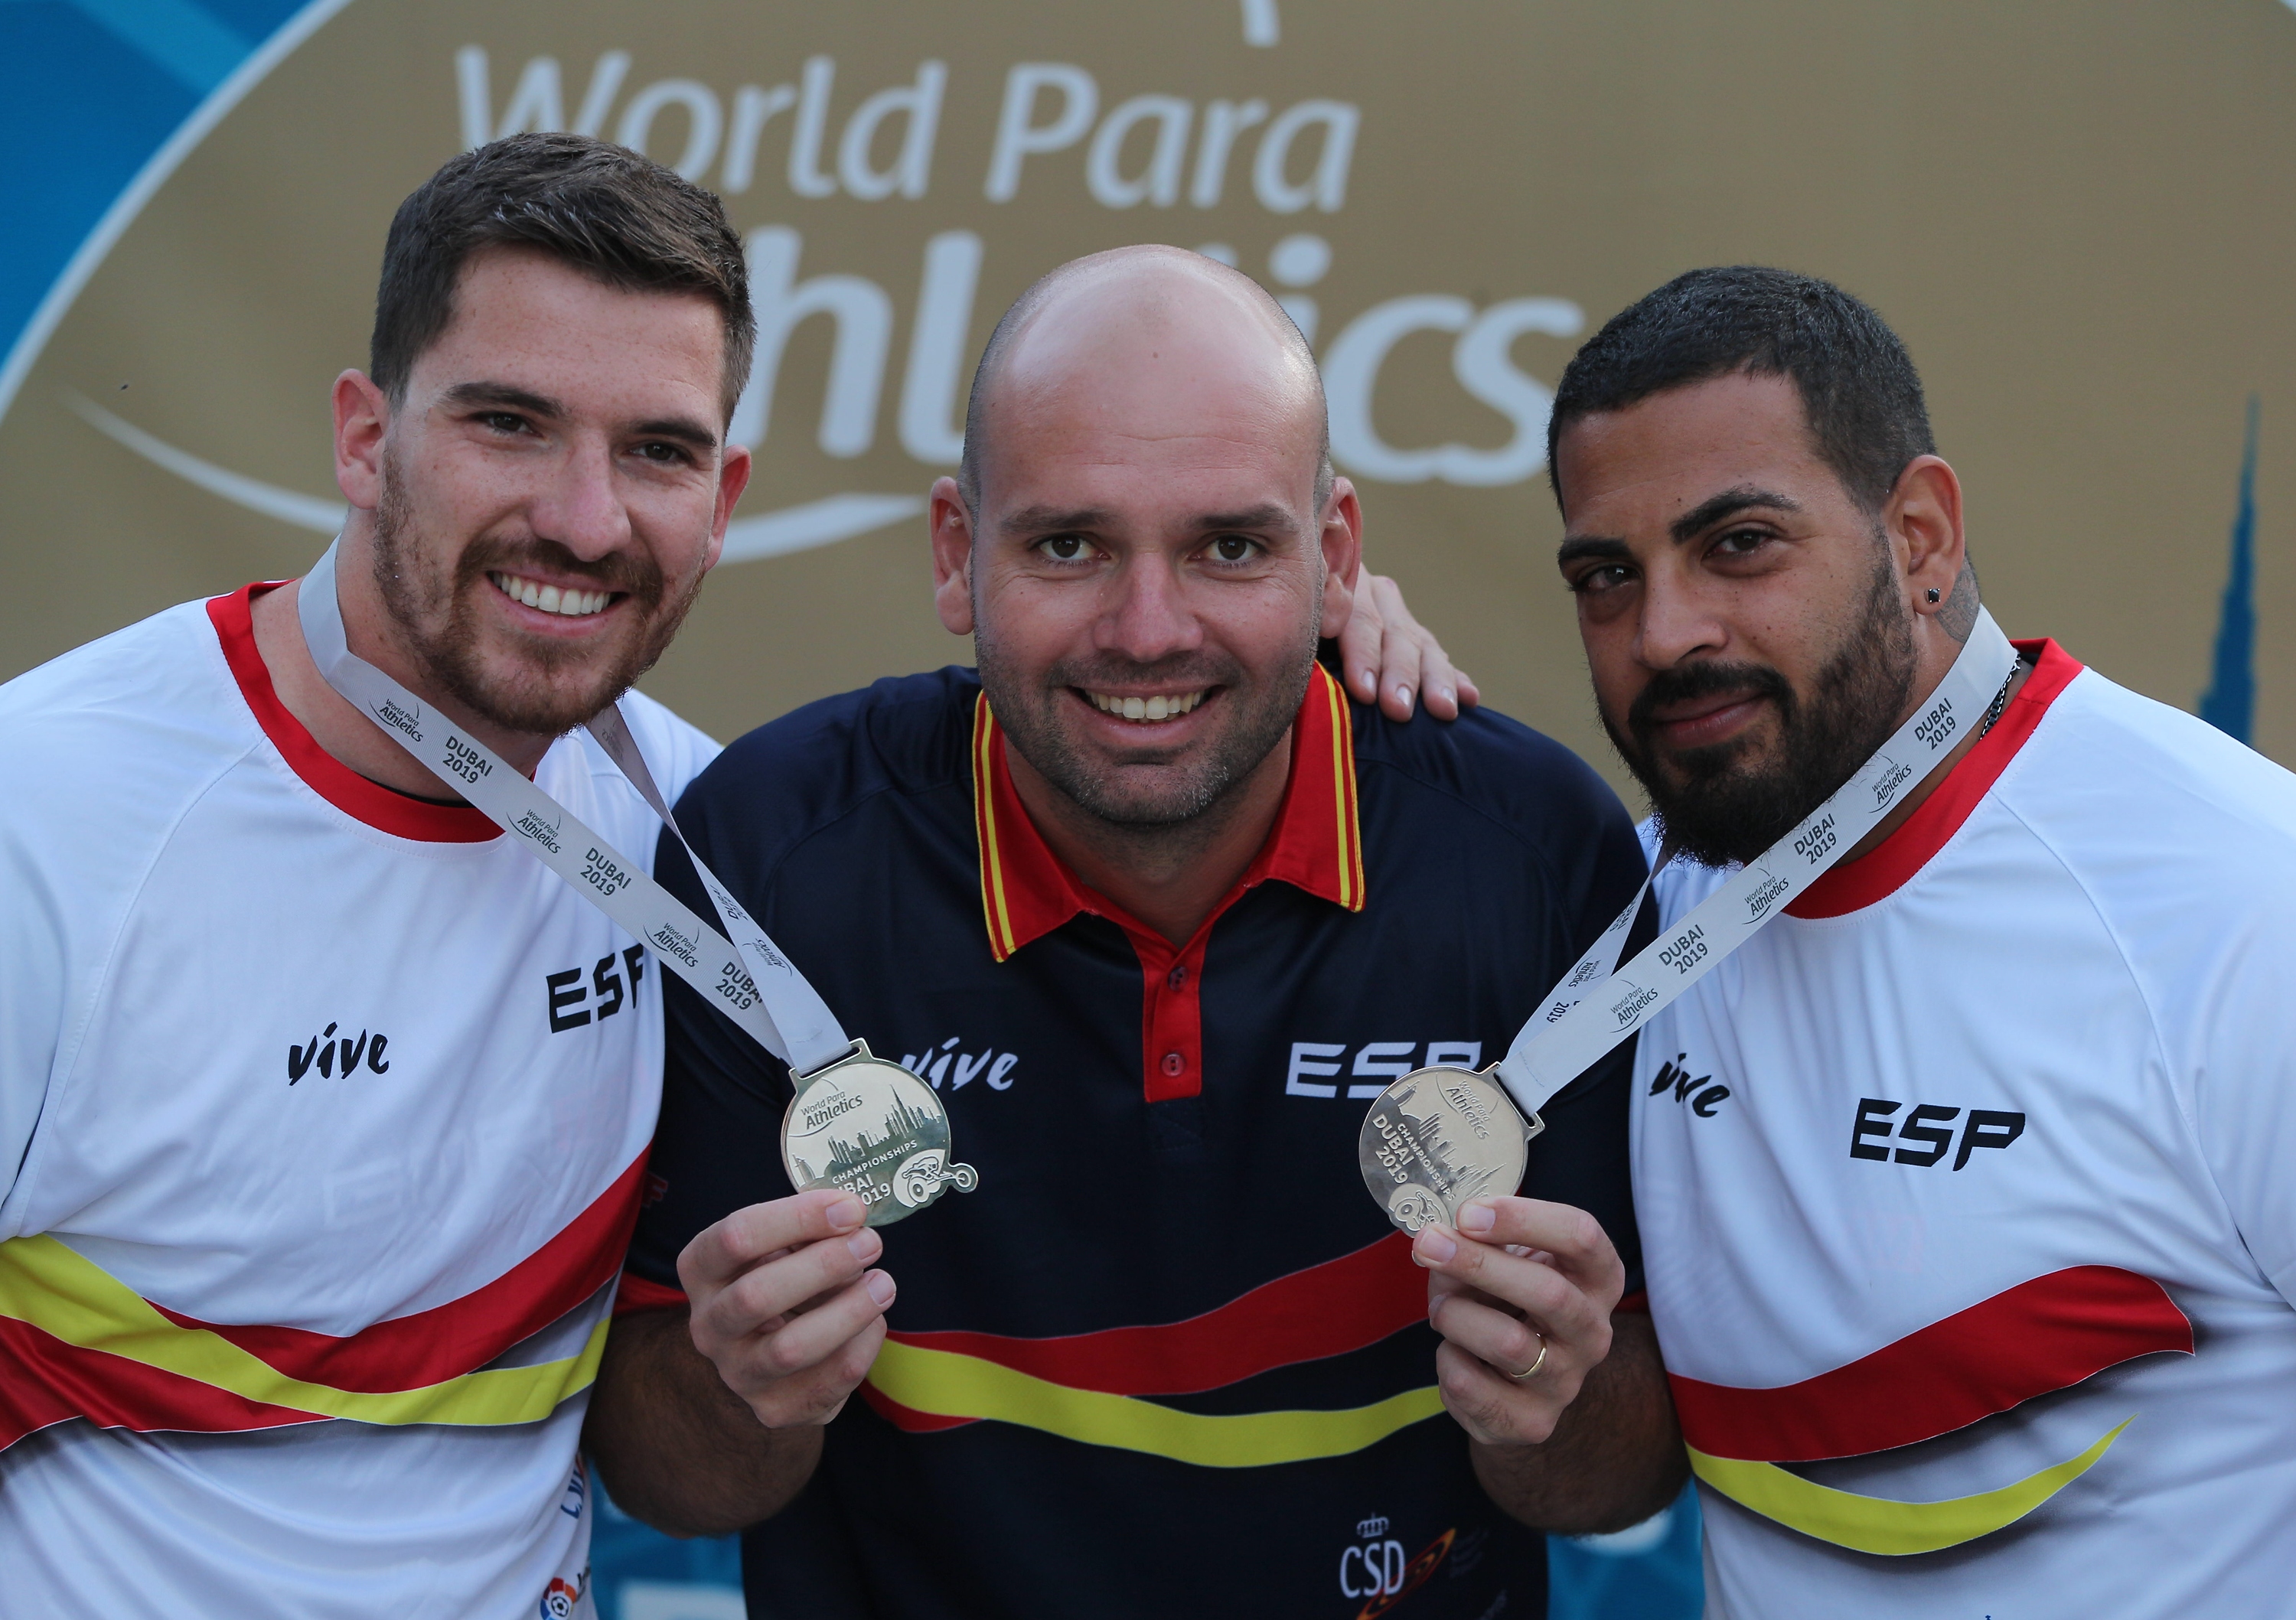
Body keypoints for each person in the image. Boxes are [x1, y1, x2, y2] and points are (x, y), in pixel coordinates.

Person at [0, 132, 1471, 1612]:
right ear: (365, 439)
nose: (585, 518)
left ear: (727, 494)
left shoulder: (715, 840)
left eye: (658, 450)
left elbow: (1084, 717)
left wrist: (1318, 624)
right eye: (509, 423)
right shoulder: (49, 822)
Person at [584, 246, 1688, 1618]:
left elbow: (1612, 1480)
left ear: (1333, 556)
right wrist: (745, 1390)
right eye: (1070, 544)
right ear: (954, 553)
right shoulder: (770, 862)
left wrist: (1559, 1397)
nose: (1150, 630)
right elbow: (666, 1474)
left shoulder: (1530, 857)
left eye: (1231, 546)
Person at [1546, 266, 2296, 1615]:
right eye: (1609, 575)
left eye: (1740, 545)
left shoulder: (2243, 898)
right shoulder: (1629, 909)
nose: (1665, 635)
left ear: (1923, 537)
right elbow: (1610, 1474)